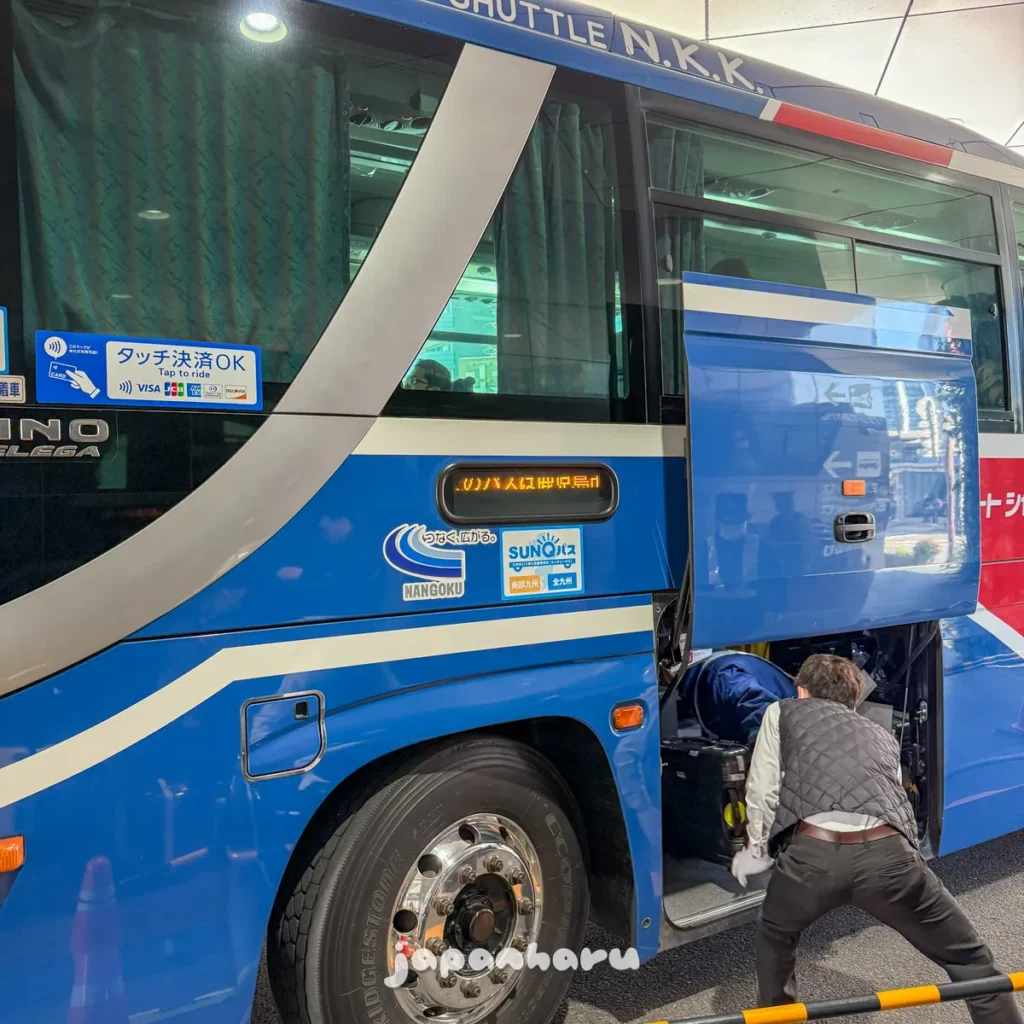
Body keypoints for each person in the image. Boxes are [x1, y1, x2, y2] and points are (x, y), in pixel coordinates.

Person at [732, 654, 1022, 1024]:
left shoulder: (782, 711)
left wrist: (758, 851)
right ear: (855, 700)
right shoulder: (880, 733)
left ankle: (778, 1015)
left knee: (775, 933)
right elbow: (891, 796)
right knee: (972, 960)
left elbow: (763, 790)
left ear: (801, 691)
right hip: (890, 859)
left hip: (813, 858)